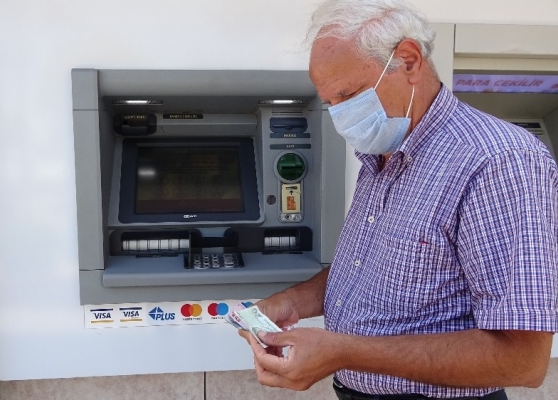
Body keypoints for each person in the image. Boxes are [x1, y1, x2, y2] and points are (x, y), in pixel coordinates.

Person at [238, 1, 558, 399]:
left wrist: (342, 352)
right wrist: (294, 301)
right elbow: (366, 272)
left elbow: (523, 359)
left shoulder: (497, 162)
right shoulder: (382, 154)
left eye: (349, 94)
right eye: (331, 103)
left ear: (408, 61)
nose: (341, 117)